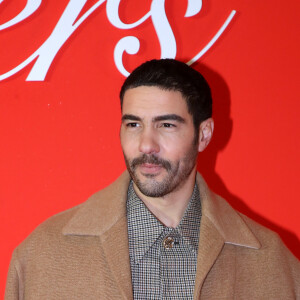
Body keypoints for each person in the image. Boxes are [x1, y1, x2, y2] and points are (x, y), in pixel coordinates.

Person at [5, 59, 299, 299]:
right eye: (133, 124)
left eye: (167, 125)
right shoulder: (41, 257)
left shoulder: (275, 266)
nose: (146, 144)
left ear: (204, 135)